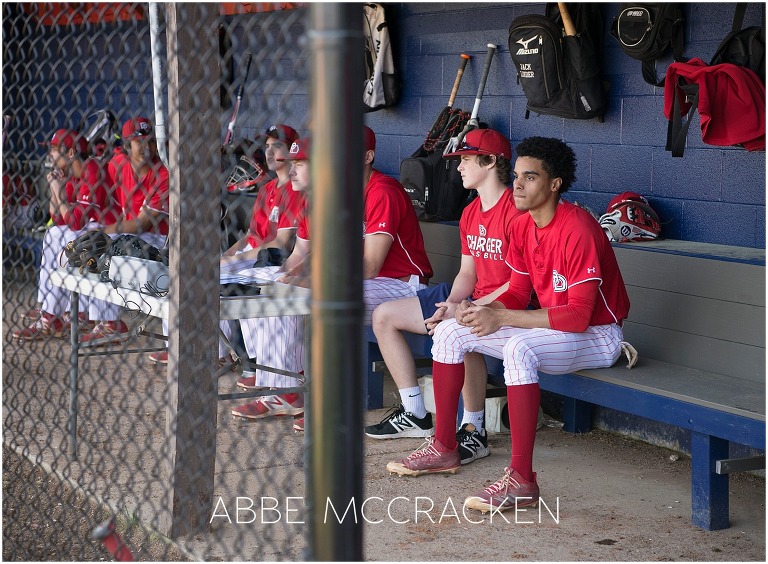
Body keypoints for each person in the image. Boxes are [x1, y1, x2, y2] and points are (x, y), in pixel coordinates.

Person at [386, 137, 630, 515]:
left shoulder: (577, 227)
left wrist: (501, 317)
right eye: (516, 175)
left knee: (520, 349)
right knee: (451, 332)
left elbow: (578, 315)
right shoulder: (522, 226)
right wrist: (476, 310)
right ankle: (445, 447)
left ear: (554, 184)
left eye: (529, 178)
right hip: (553, 330)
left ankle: (522, 479)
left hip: (597, 335)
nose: (517, 184)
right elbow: (517, 291)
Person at [231, 126, 434, 424]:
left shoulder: (382, 191)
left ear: (367, 156)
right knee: (278, 292)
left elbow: (371, 266)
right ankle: (285, 391)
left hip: (402, 286)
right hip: (368, 286)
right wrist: (292, 277)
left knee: (322, 300)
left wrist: (311, 282)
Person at [365, 129, 523, 467]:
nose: (460, 167)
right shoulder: (470, 212)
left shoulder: (516, 210)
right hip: (474, 294)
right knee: (384, 316)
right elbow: (468, 273)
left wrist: (465, 309)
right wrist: (451, 303)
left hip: (508, 302)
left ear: (491, 161)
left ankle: (473, 429)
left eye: (466, 159)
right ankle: (414, 413)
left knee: (457, 330)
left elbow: (519, 283)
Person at [147, 124, 303, 365]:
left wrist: (234, 260)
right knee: (187, 274)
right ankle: (193, 347)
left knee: (210, 279)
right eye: (267, 146)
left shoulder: (295, 191)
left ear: (293, 151)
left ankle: (243, 360)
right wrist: (226, 255)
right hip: (249, 252)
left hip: (267, 258)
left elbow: (280, 243)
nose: (269, 153)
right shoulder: (267, 188)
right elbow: (250, 233)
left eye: (277, 146)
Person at [230, 137, 311, 428]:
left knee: (277, 296)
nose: (291, 170)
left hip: (371, 280)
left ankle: (286, 389)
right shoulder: (309, 199)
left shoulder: (327, 197)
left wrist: (294, 278)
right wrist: (285, 275)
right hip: (317, 272)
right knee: (263, 286)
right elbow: (302, 253)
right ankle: (269, 378)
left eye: (299, 164)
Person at [13, 128, 119, 340]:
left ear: (71, 153)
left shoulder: (91, 169)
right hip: (90, 231)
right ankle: (51, 315)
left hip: (111, 231)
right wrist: (56, 190)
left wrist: (57, 190)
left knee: (69, 237)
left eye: (54, 149)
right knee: (53, 233)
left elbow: (75, 222)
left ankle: (66, 315)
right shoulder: (72, 175)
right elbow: (60, 219)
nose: (50, 154)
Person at [78, 117, 170, 344]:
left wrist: (103, 231)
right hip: (127, 234)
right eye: (139, 142)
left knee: (105, 243)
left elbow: (142, 224)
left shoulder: (164, 174)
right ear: (127, 146)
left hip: (158, 239)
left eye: (151, 141)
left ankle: (110, 322)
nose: (147, 147)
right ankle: (104, 320)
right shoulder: (117, 164)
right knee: (92, 237)